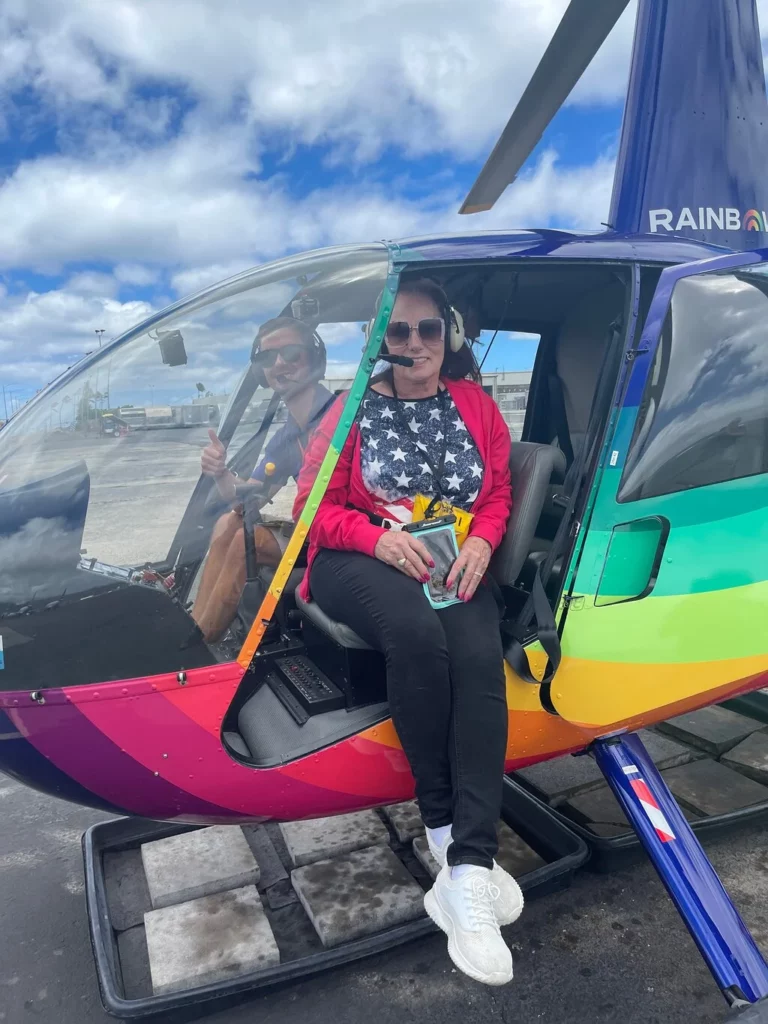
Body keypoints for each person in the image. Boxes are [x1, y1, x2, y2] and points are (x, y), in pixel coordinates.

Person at [293, 278, 521, 986]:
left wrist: (484, 541)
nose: (415, 345)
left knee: (480, 658)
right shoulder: (349, 411)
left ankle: (470, 868)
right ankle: (443, 826)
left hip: (449, 557)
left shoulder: (477, 405)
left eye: (428, 330)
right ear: (380, 344)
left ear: (447, 334)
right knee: (418, 638)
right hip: (357, 556)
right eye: (399, 334)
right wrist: (373, 538)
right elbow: (312, 508)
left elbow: (498, 493)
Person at [192, 317, 333, 643]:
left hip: (341, 537)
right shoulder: (288, 437)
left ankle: (198, 647)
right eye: (268, 358)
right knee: (228, 523)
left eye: (291, 352)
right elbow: (245, 500)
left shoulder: (340, 415)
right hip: (313, 532)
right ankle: (193, 629)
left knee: (248, 542)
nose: (279, 363)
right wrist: (220, 473)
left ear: (314, 358)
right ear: (261, 372)